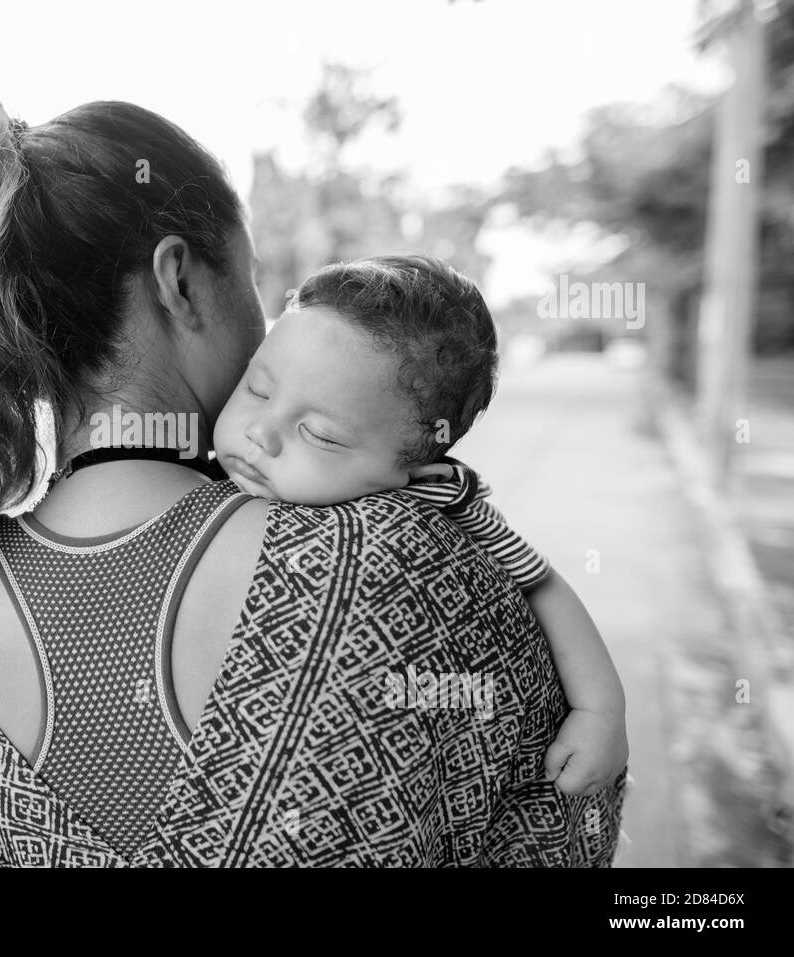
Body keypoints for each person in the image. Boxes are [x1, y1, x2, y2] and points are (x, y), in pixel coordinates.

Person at [0, 95, 625, 866]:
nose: (261, 326)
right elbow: (560, 821)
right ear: (180, 280)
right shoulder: (407, 564)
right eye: (251, 281)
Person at [212, 256, 629, 796]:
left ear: (413, 474)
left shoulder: (439, 498)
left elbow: (541, 583)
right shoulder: (192, 467)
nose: (260, 433)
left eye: (318, 433)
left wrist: (601, 709)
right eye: (258, 390)